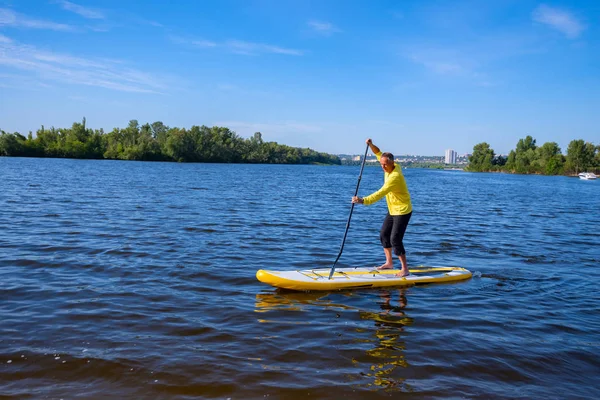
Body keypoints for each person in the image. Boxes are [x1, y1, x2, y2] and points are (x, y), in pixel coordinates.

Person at [352, 139, 413, 277]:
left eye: (385, 165)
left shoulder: (395, 177)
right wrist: (371, 145)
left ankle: (405, 269)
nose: (383, 167)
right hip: (393, 209)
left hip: (403, 210)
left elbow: (380, 192)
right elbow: (378, 152)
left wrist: (363, 200)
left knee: (395, 239)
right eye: (381, 164)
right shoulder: (389, 164)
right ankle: (389, 263)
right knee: (384, 235)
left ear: (392, 163)